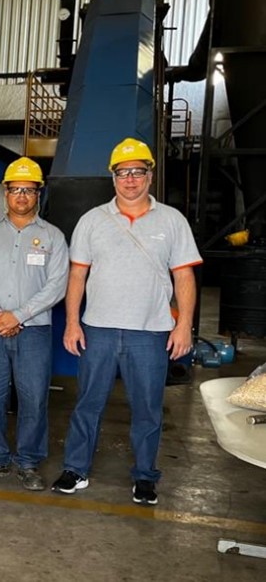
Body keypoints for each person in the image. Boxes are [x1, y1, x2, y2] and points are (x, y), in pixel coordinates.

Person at [51, 138, 201, 506]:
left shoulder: (172, 221)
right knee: (88, 402)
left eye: (138, 171)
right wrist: (72, 322)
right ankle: (75, 468)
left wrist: (184, 325)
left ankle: (145, 476)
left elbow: (184, 276)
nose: (130, 179)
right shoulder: (92, 220)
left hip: (150, 333)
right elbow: (77, 276)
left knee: (148, 408)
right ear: (113, 177)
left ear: (150, 175)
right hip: (99, 329)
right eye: (123, 173)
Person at [0, 157, 68, 491]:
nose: (21, 196)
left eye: (28, 190)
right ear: (6, 192)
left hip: (33, 331)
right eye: (16, 189)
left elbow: (57, 285)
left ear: (38, 193)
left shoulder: (53, 237)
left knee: (34, 398)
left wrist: (18, 315)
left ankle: (28, 462)